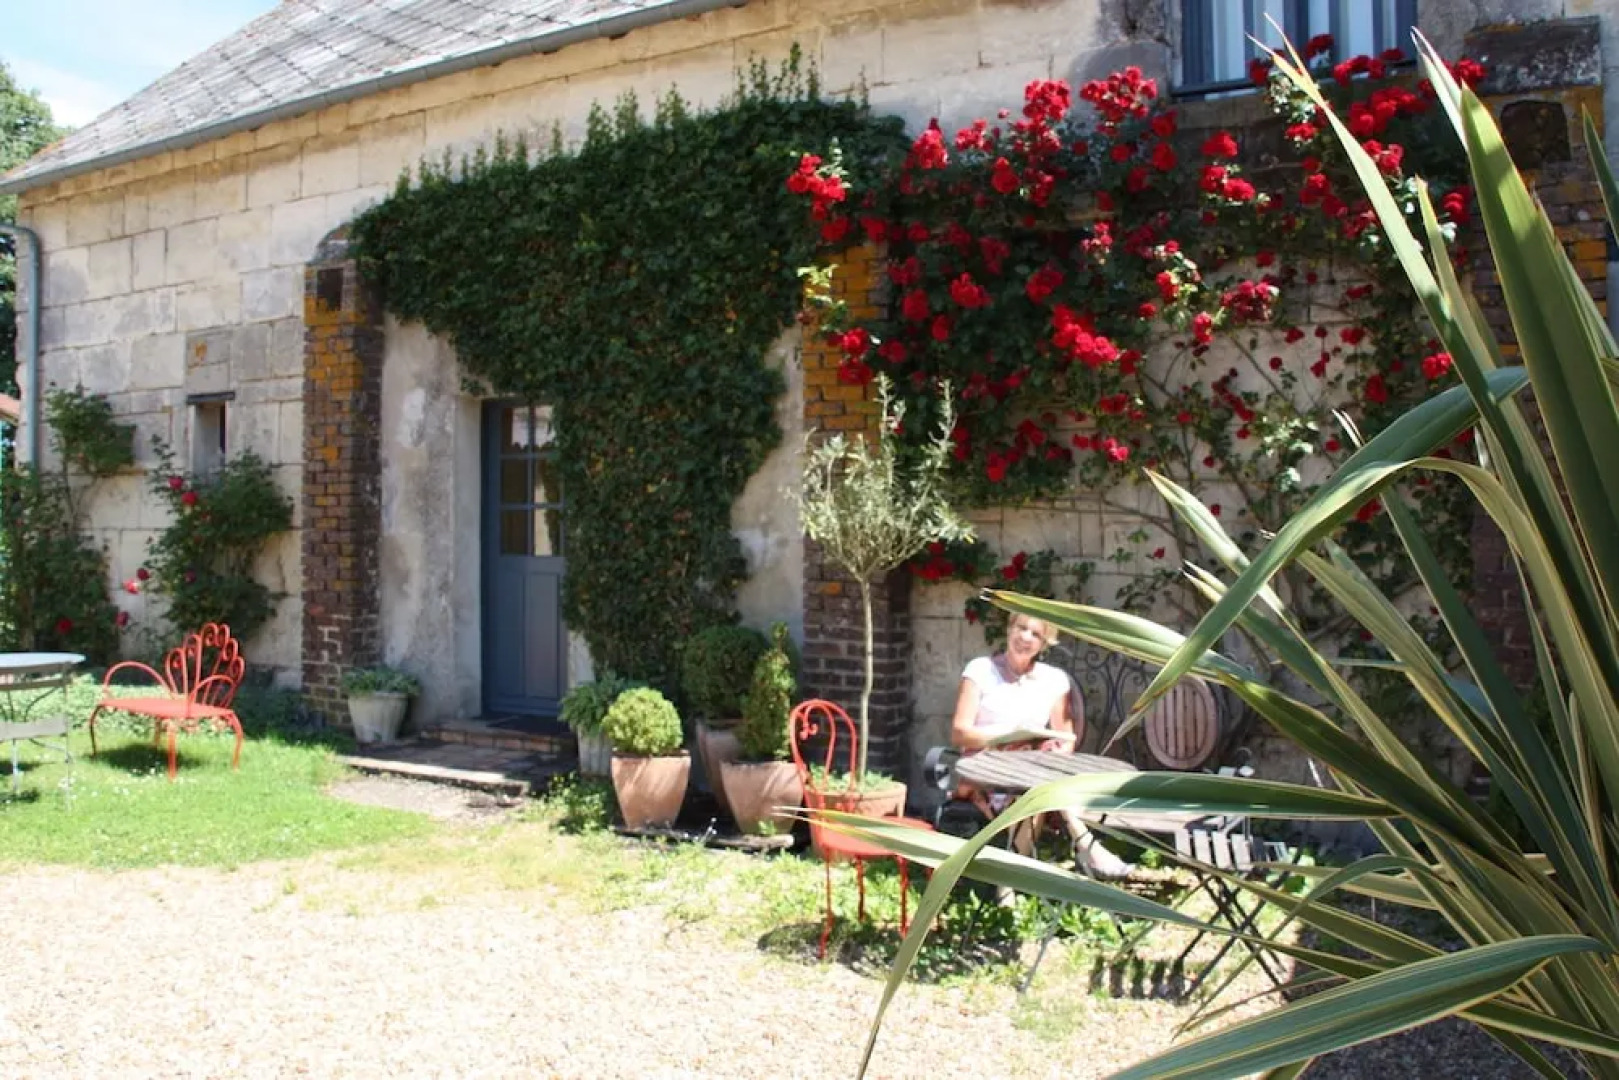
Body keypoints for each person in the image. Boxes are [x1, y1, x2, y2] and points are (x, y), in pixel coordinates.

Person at [949, 612, 1133, 880]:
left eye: (1036, 634)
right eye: (1021, 628)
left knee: (1038, 792)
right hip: (985, 772)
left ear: (1044, 644)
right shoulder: (980, 671)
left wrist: (1052, 749)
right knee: (1042, 793)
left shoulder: (1053, 680)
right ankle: (1088, 849)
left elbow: (1065, 738)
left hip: (1032, 771)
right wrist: (1005, 736)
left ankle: (1007, 886)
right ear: (1009, 628)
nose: (1025, 637)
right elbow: (959, 733)